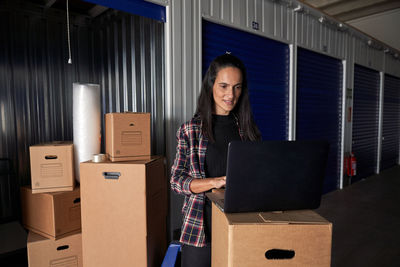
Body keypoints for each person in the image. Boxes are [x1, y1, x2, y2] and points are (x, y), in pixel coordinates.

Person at [170, 53, 261, 267]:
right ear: (211, 86)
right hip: (200, 229)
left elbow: (258, 176)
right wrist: (215, 182)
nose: (231, 94)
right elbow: (176, 181)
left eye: (237, 87)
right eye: (224, 86)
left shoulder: (248, 131)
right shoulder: (190, 130)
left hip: (240, 224)